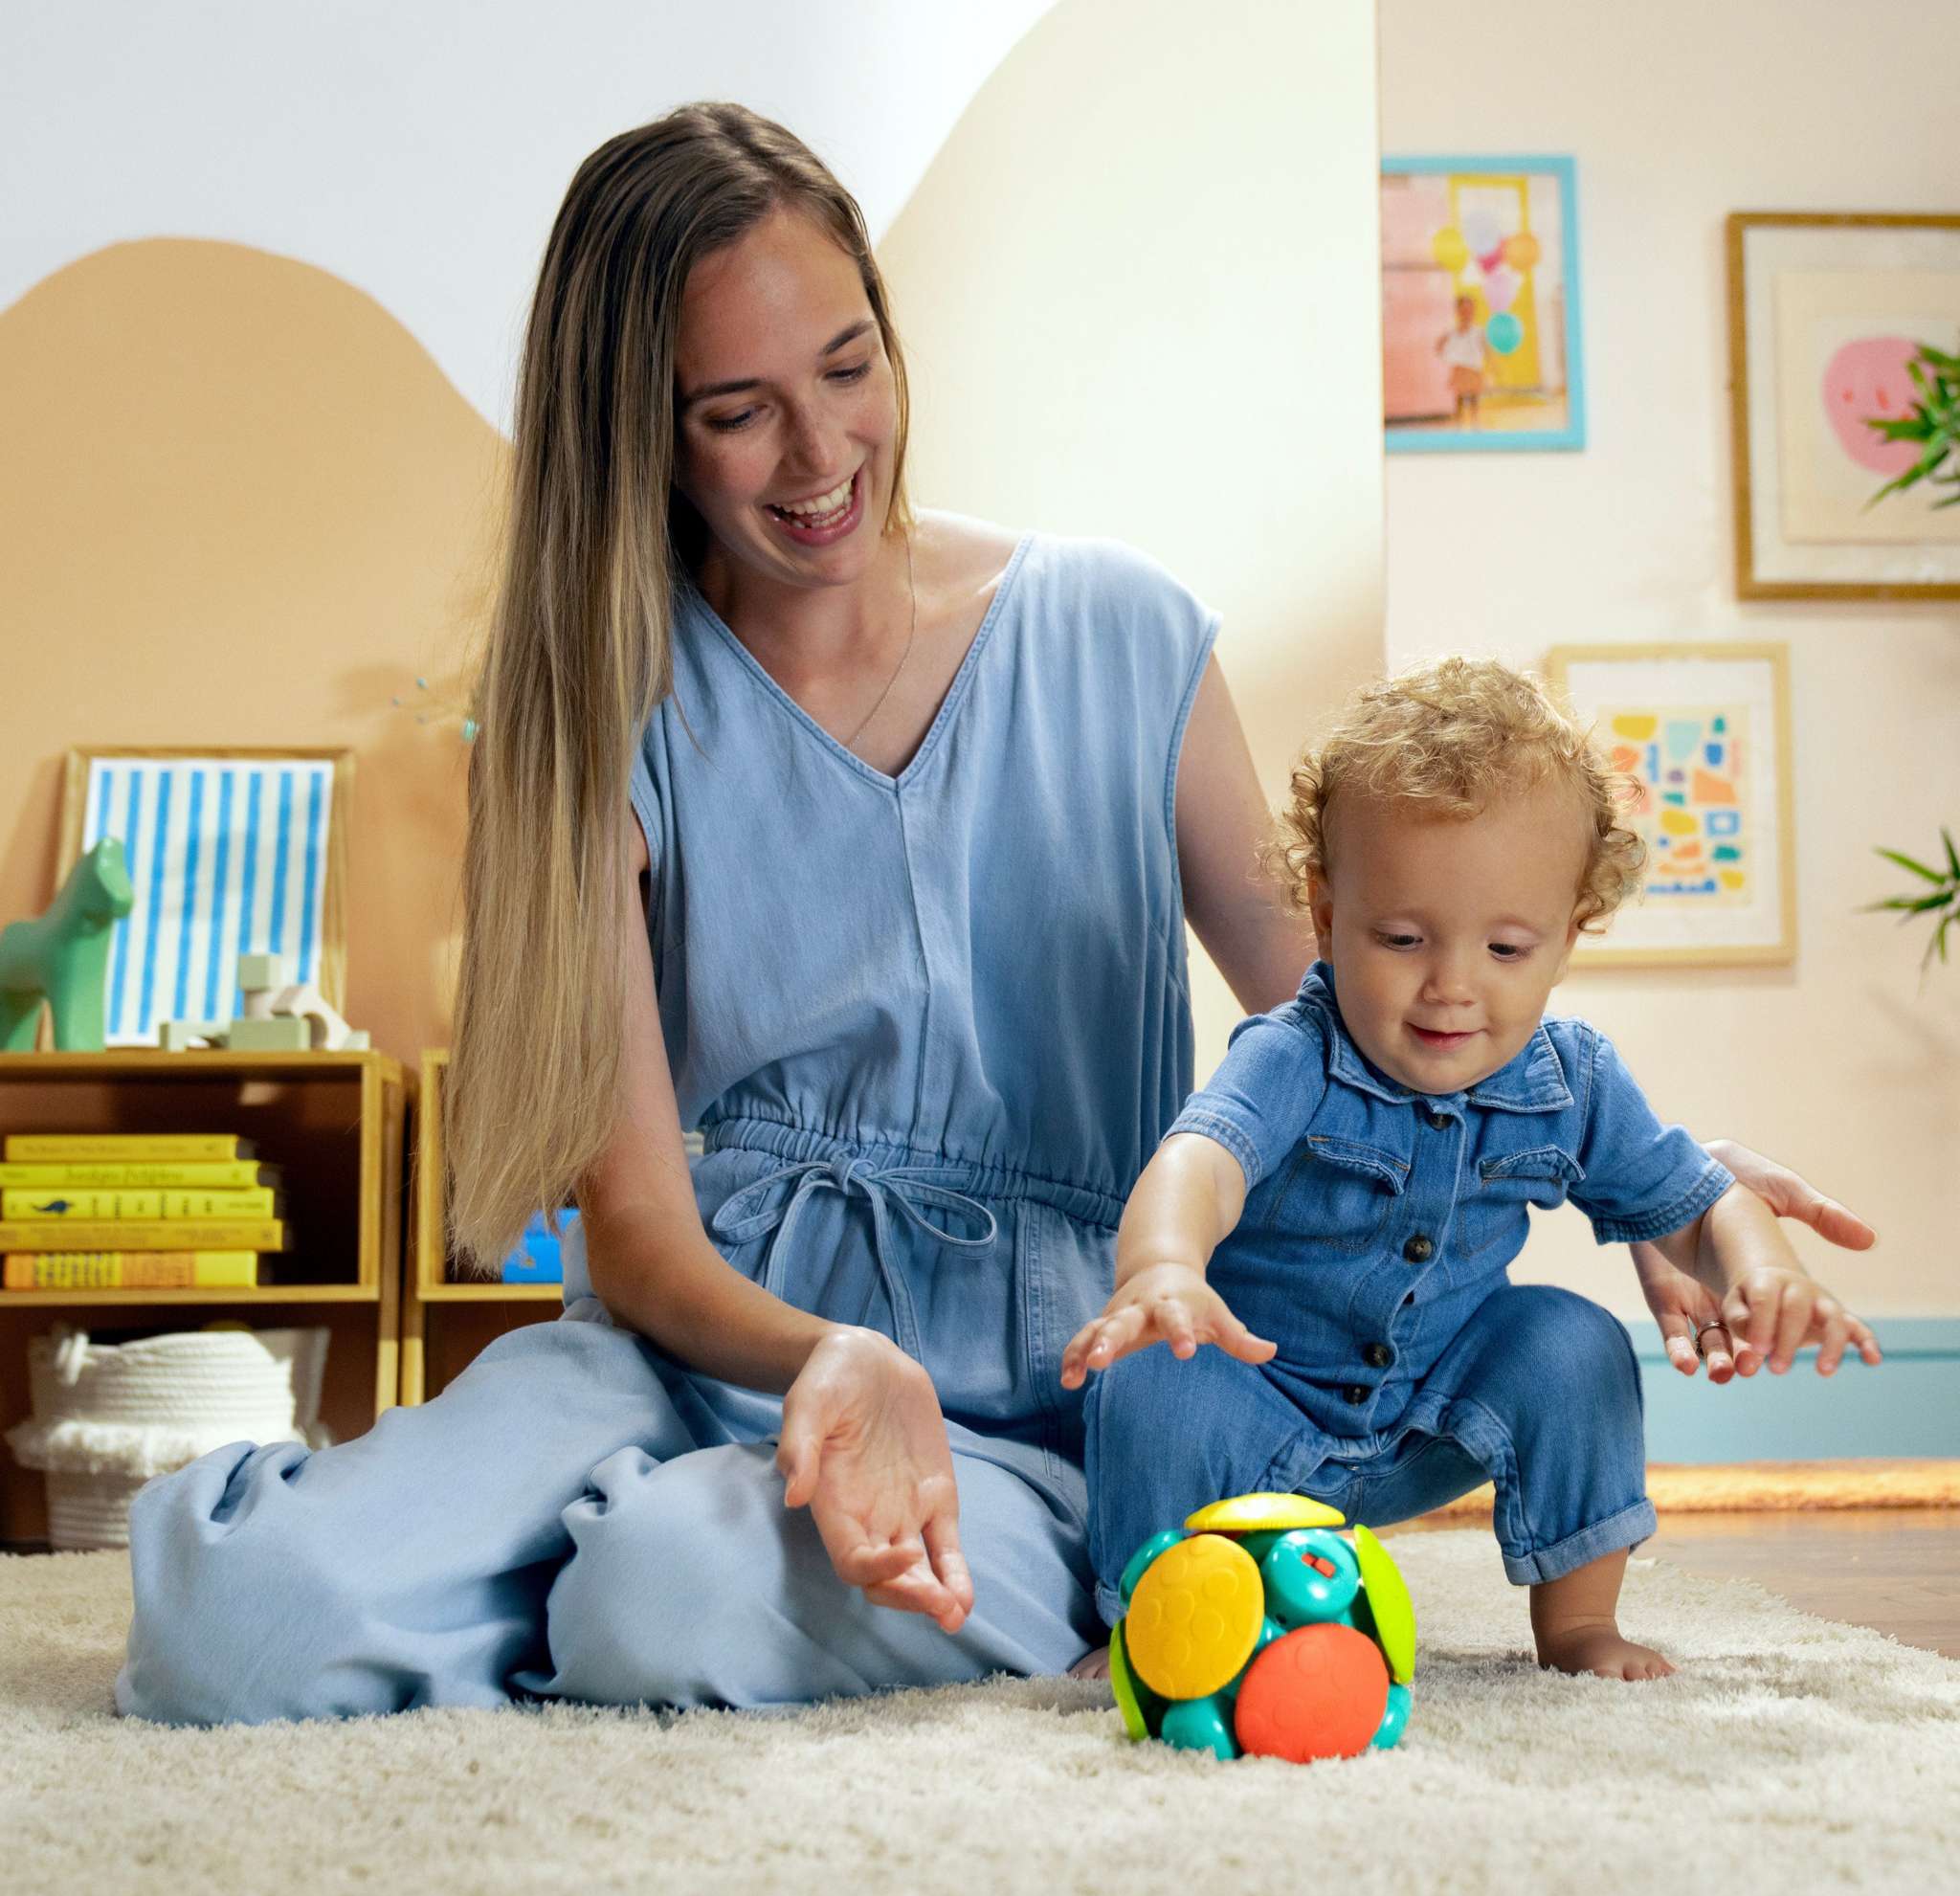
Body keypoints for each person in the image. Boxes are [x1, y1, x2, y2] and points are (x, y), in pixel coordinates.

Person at [115, 107, 1873, 1724]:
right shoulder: (594, 706)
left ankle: (627, 1567)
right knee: (237, 1630)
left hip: (1042, 1386)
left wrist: (1654, 1177)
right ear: (636, 429)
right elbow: (639, 1237)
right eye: (734, 410)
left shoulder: (1122, 634)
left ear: (890, 332)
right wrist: (832, 1357)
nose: (820, 454)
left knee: (673, 1604)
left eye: (847, 364)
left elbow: (1354, 1018)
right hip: (708, 1334)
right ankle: (567, 1537)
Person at [1063, 659, 1883, 1681]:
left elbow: (1695, 1200)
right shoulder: (1293, 1052)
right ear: (1323, 914)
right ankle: (1154, 1620)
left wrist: (1763, 1270)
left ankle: (1579, 1622)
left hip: (1432, 1415)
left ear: (1566, 940)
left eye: (1504, 947)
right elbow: (1201, 1160)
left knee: (1573, 1338)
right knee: (1152, 1368)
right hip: (1255, 1412)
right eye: (1401, 937)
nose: (1451, 985)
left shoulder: (1567, 1078)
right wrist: (1162, 1267)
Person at [1436, 292, 1488, 425]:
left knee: (1474, 397)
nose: (1466, 313)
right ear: (1458, 311)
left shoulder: (1478, 330)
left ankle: (1475, 421)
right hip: (1460, 367)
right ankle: (1458, 422)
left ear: (1473, 311)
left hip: (1474, 367)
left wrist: (1492, 366)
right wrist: (1444, 353)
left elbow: (1486, 348)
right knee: (1459, 397)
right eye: (1463, 310)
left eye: (1469, 310)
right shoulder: (1452, 330)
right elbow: (1440, 344)